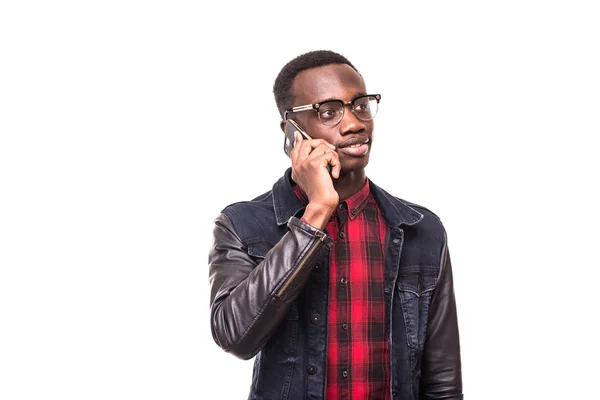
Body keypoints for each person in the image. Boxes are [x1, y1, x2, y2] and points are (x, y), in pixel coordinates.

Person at [208, 50, 462, 400]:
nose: (354, 122)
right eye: (329, 112)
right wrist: (317, 211)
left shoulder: (421, 229)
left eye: (360, 105)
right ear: (291, 131)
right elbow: (235, 336)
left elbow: (443, 382)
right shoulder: (243, 224)